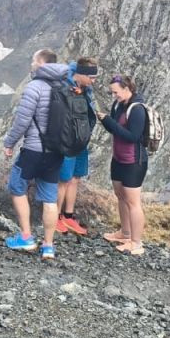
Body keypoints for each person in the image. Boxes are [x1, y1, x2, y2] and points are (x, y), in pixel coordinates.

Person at [2, 49, 69, 261]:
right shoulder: (66, 87)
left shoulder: (34, 87)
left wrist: (9, 142)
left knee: (17, 186)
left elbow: (22, 121)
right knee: (50, 199)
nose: (31, 64)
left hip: (33, 150)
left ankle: (26, 237)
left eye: (33, 60)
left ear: (41, 64)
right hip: (56, 152)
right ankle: (48, 246)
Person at [98, 75, 149, 256]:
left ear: (127, 88)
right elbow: (114, 130)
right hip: (118, 158)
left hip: (134, 161)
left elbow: (133, 137)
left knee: (133, 202)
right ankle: (125, 233)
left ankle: (136, 243)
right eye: (112, 93)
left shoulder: (137, 109)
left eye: (116, 92)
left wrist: (109, 121)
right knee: (120, 195)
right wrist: (106, 121)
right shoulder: (118, 105)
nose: (114, 96)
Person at [56, 57, 100, 236]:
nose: (94, 81)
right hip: (68, 140)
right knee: (63, 179)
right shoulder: (64, 87)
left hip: (81, 140)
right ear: (81, 75)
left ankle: (68, 215)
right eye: (92, 77)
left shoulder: (85, 89)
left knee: (75, 177)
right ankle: (56, 217)